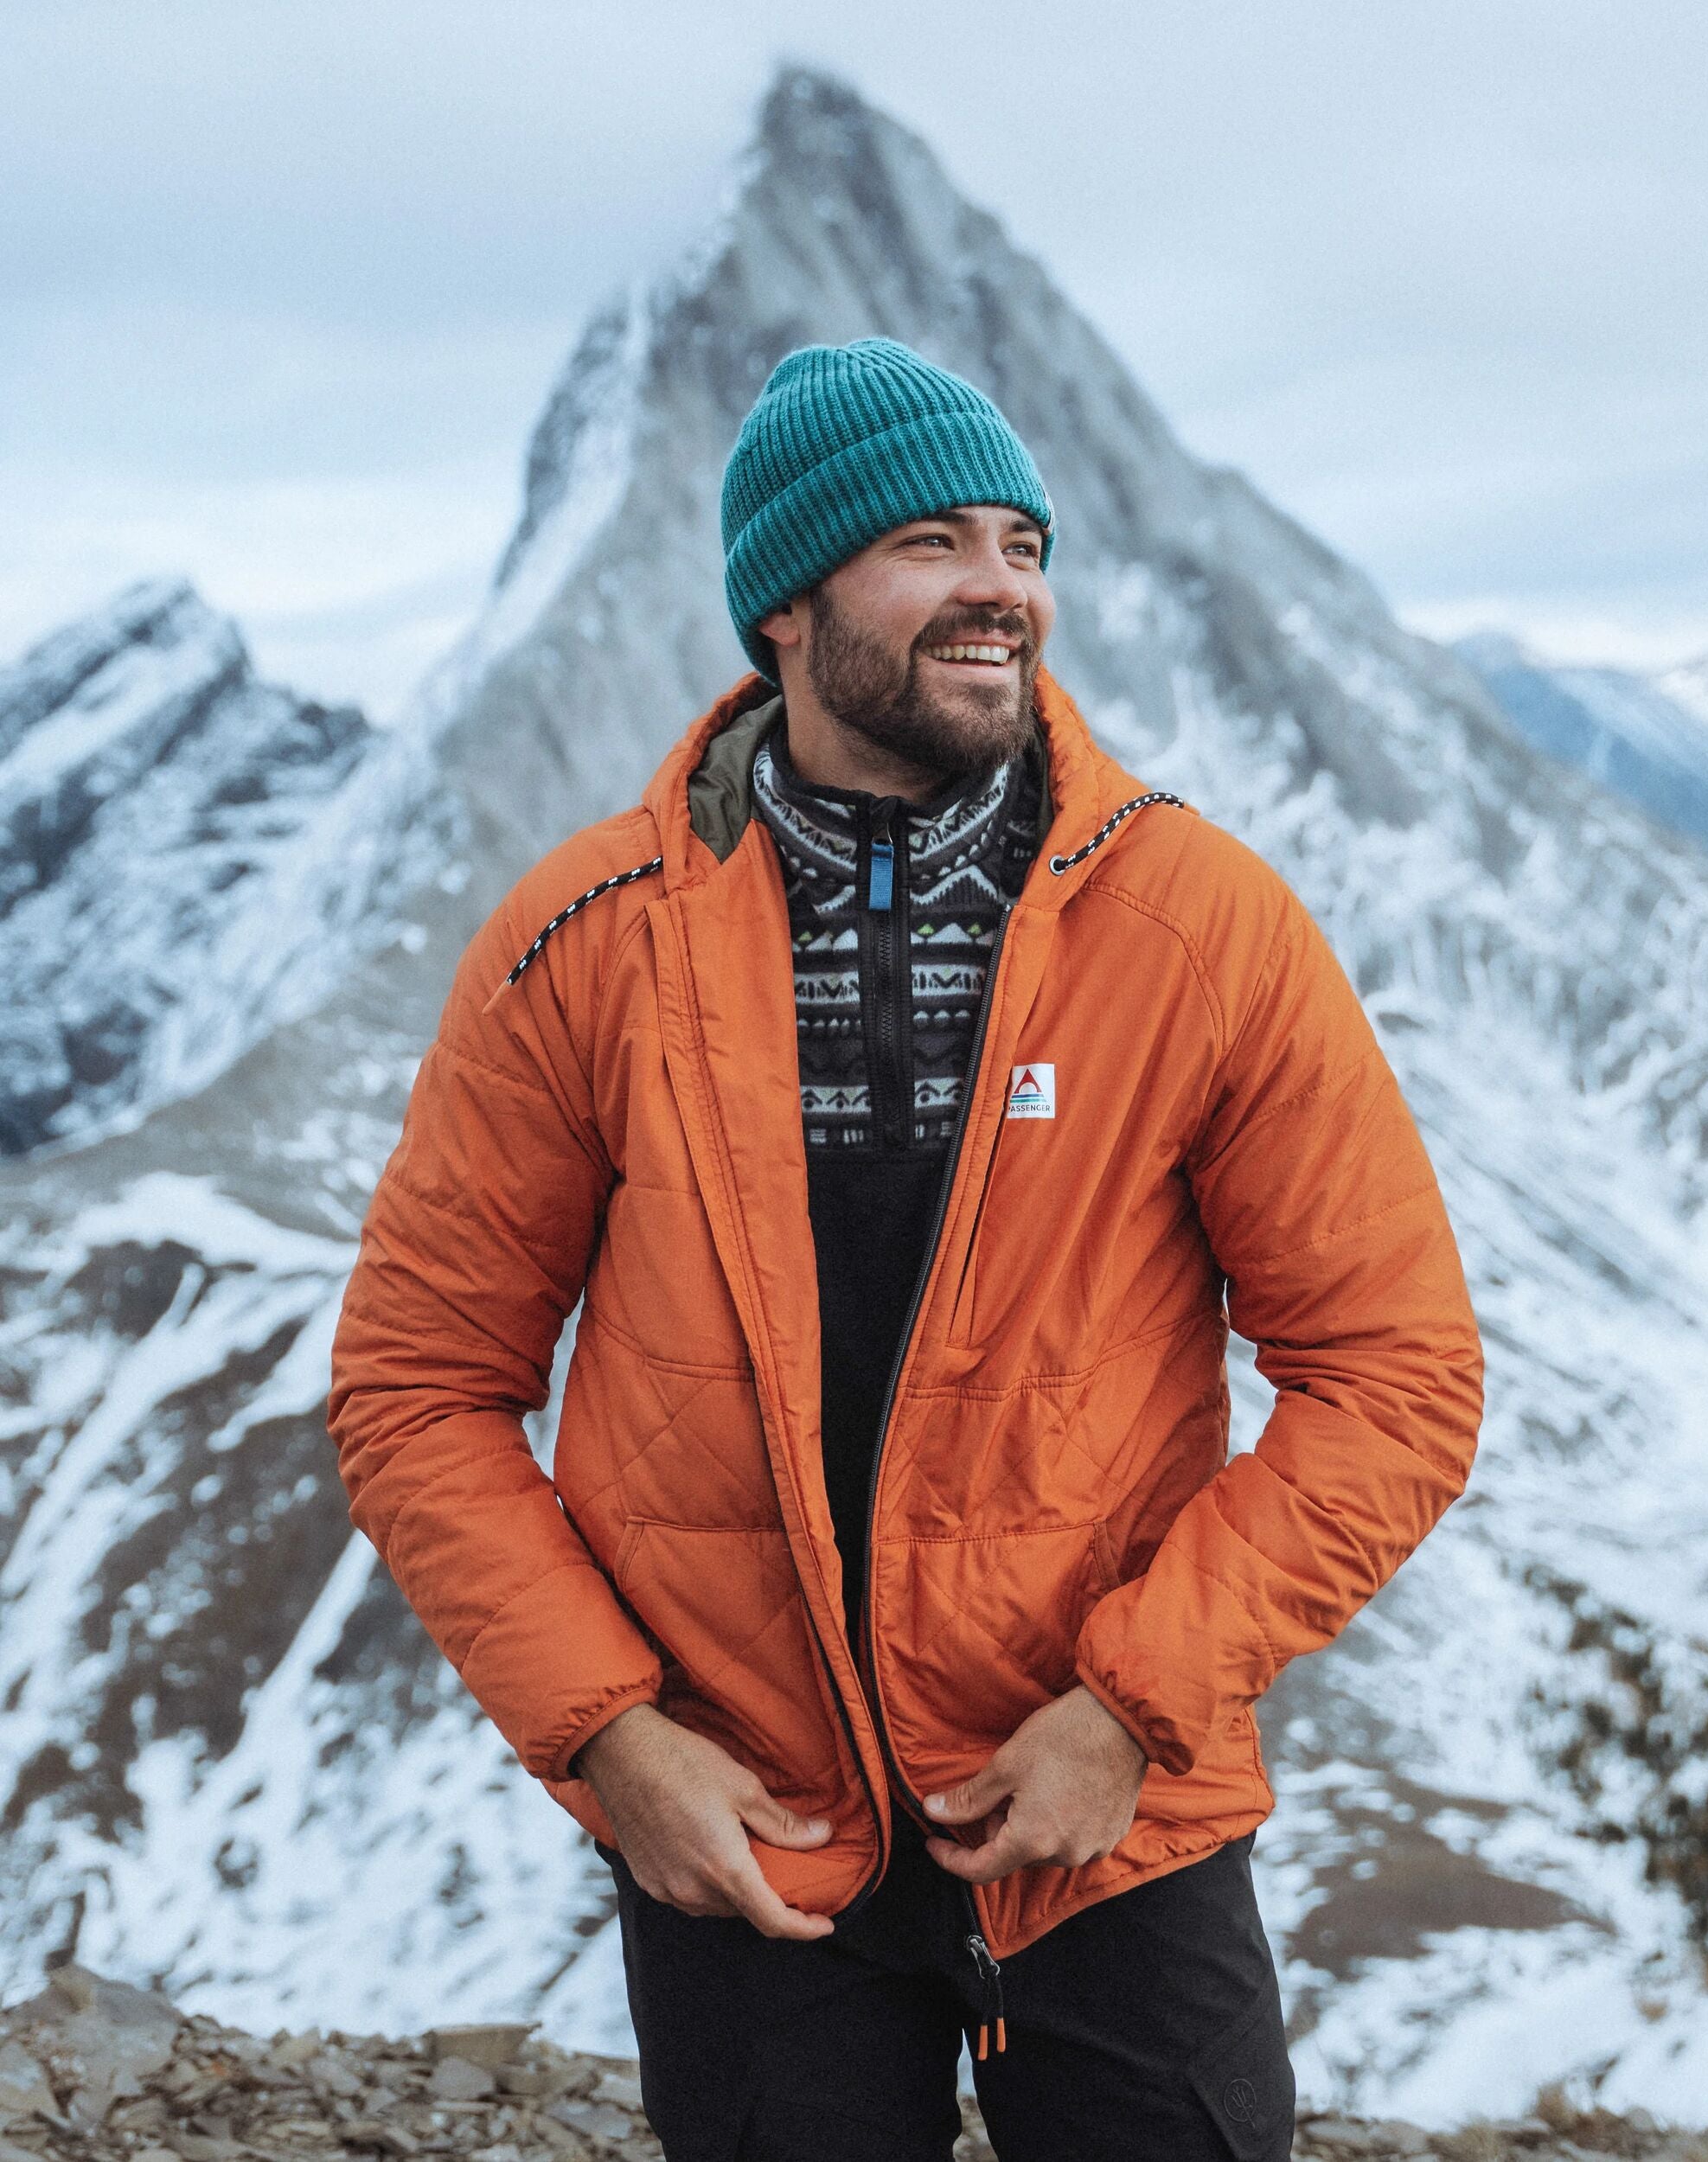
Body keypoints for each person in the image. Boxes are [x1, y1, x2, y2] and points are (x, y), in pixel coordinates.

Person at [327, 338, 1484, 2160]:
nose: (1001, 590)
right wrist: (612, 1740)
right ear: (784, 606)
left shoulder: (1201, 926)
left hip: (1109, 1814)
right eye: (932, 543)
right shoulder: (581, 945)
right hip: (749, 1830)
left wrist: (1132, 1702)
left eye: (1021, 544)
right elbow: (417, 1385)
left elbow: (1398, 1375)